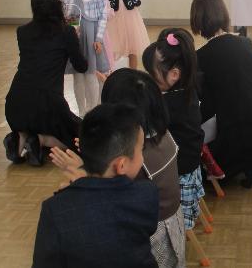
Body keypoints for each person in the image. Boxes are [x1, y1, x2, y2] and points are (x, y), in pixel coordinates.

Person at [51, 69, 185, 268]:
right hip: (171, 220)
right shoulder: (161, 134)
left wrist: (81, 171)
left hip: (149, 234)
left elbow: (106, 200)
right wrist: (99, 147)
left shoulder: (138, 160)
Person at [33, 103, 159, 268]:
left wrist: (79, 183)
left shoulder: (54, 208)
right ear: (121, 165)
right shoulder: (146, 195)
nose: (142, 157)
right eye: (140, 150)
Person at [190, 0, 252, 188]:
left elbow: (209, 104)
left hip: (234, 129)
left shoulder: (202, 56)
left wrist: (193, 121)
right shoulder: (246, 43)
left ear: (198, 20)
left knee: (211, 180)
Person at [3, 0, 88, 166]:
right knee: (83, 139)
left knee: (32, 122)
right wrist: (76, 40)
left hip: (15, 104)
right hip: (49, 105)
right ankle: (41, 140)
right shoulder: (66, 32)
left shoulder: (22, 31)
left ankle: (20, 138)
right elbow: (81, 66)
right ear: (58, 6)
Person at [143, 28, 206, 232]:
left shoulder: (168, 103)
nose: (149, 81)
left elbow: (145, 121)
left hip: (179, 169)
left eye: (152, 76)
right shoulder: (186, 89)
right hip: (192, 160)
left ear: (174, 74)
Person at [61, 0, 110, 116]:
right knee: (78, 76)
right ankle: (81, 112)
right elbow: (65, 16)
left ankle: (93, 110)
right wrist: (70, 32)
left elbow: (103, 16)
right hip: (74, 38)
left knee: (91, 74)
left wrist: (99, 39)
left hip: (92, 37)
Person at [97, 0, 150, 70]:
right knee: (113, 46)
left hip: (130, 19)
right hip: (114, 20)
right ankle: (112, 70)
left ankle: (133, 72)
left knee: (132, 48)